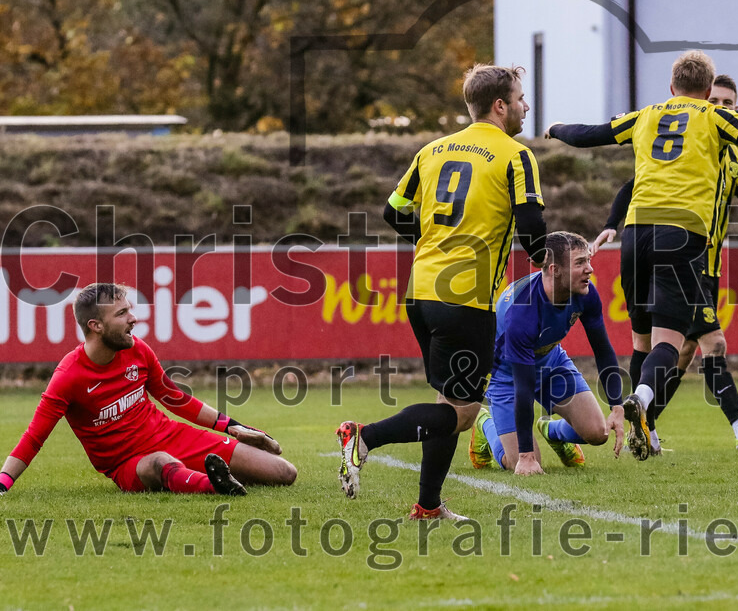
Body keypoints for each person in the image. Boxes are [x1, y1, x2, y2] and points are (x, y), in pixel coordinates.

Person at [547, 50, 738, 461]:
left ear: (671, 87)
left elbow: (591, 134)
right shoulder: (714, 118)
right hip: (681, 234)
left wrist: (555, 128)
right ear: (707, 89)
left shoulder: (646, 115)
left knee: (642, 341)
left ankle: (647, 425)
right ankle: (643, 401)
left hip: (636, 234)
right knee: (673, 342)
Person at [337, 64, 547, 520]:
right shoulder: (516, 155)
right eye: (520, 99)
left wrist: (431, 240)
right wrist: (549, 259)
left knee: (448, 402)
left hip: (422, 292)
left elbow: (393, 210)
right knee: (464, 414)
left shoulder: (432, 150)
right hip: (465, 298)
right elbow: (532, 229)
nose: (525, 106)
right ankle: (364, 437)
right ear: (500, 106)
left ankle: (428, 505)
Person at [593, 75, 738, 453]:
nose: (720, 108)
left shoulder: (734, 155)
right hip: (684, 259)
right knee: (712, 343)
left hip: (707, 266)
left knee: (681, 352)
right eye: (715, 101)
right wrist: (612, 223)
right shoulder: (691, 144)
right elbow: (631, 186)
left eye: (728, 104)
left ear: (737, 108)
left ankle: (645, 426)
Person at [0, 283, 296, 498]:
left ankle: (211, 477)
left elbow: (175, 398)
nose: (133, 319)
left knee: (284, 473)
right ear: (96, 325)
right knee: (160, 463)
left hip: (173, 436)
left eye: (129, 310)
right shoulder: (68, 377)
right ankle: (214, 484)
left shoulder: (137, 349)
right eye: (122, 313)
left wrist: (234, 427)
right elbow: (34, 437)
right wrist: (3, 483)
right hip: (129, 464)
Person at [469, 231, 625, 475]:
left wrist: (617, 406)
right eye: (580, 263)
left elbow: (603, 350)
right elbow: (523, 387)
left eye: (588, 260)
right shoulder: (522, 313)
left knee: (598, 433)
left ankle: (552, 431)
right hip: (507, 377)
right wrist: (526, 457)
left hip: (551, 362)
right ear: (555, 270)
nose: (590, 269)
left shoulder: (585, 293)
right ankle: (485, 424)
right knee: (519, 462)